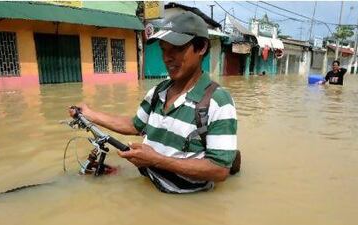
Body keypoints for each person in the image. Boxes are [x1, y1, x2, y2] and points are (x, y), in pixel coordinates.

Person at [69, 11, 238, 194]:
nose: (167, 57)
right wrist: (89, 114)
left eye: (177, 48)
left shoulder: (218, 102)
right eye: (164, 49)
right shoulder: (158, 92)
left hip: (183, 201)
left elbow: (219, 170)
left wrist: (156, 160)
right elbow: (135, 125)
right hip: (149, 181)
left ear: (202, 47)